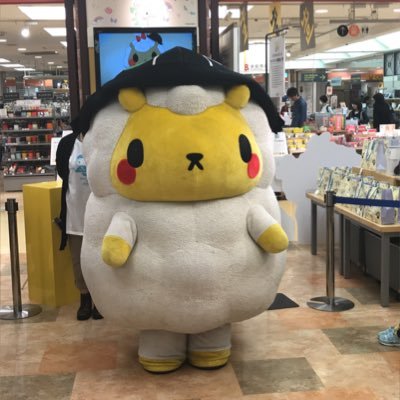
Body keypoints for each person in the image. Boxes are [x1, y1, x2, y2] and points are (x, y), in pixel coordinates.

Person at [56, 131, 103, 321]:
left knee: (99, 260)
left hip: (99, 214)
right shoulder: (67, 143)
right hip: (74, 212)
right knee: (78, 260)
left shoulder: (101, 139)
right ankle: (84, 298)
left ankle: (100, 300)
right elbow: (62, 171)